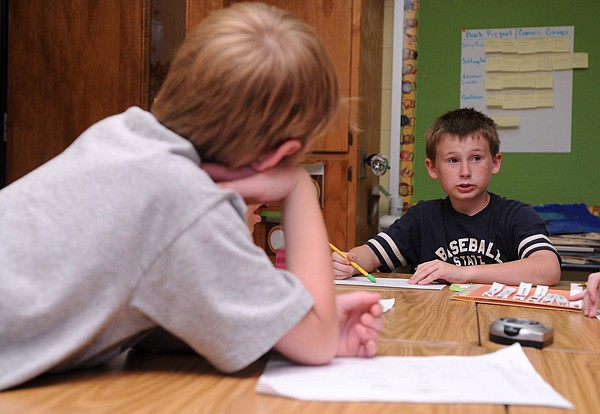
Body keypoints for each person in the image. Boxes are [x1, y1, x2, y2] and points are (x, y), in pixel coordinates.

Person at [0, 2, 383, 391]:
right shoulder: (189, 204)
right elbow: (316, 344)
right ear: (278, 154)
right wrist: (298, 186)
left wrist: (279, 320)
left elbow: (147, 305)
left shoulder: (120, 133)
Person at [333, 108, 561, 286]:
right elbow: (370, 255)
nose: (465, 172)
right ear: (432, 168)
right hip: (436, 321)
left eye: (476, 158)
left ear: (495, 162)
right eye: (453, 160)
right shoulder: (423, 217)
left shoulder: (516, 215)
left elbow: (548, 269)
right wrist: (349, 261)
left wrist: (462, 273)